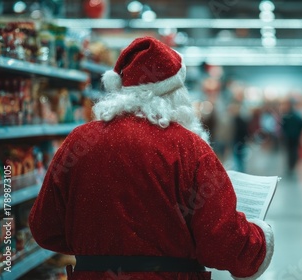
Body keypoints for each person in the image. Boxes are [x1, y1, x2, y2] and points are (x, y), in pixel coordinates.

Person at [28, 37, 273, 280]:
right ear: (176, 93)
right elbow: (221, 241)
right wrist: (260, 238)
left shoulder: (78, 141)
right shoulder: (190, 148)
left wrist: (97, 247)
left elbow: (45, 227)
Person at [280, 98, 302, 176]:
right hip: (294, 136)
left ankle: (290, 165)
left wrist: (285, 132)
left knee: (289, 152)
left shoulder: (286, 117)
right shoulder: (296, 116)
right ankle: (292, 165)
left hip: (288, 137)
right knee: (293, 151)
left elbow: (282, 125)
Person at [229, 102, 249, 173]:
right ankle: (240, 170)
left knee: (238, 157)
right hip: (240, 140)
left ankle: (240, 171)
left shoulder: (238, 120)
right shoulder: (239, 119)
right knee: (239, 157)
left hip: (238, 140)